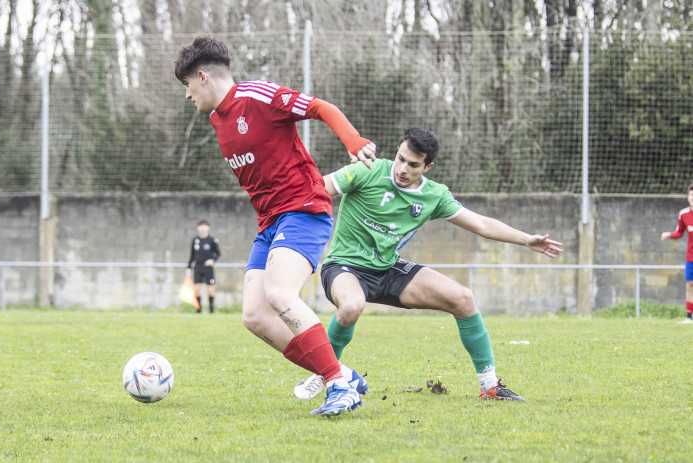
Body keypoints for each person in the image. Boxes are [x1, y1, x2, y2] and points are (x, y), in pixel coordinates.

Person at [174, 36, 376, 416]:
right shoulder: (218, 119)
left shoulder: (258, 96)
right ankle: (342, 373)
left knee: (281, 294)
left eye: (187, 86)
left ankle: (337, 388)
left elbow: (319, 107)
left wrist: (354, 140)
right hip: (270, 222)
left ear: (202, 77)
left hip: (304, 209)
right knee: (254, 315)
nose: (188, 96)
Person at [293, 128, 563, 402]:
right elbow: (314, 189)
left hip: (387, 269)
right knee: (351, 306)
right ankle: (325, 373)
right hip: (345, 266)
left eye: (413, 165)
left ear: (427, 167)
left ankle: (490, 386)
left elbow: (481, 223)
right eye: (400, 159)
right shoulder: (367, 170)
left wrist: (526, 239)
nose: (402, 169)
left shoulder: (434, 195)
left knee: (463, 299)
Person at [660, 182, 693, 324]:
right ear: (687, 197)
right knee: (689, 285)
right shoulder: (684, 214)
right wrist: (669, 234)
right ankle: (689, 316)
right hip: (690, 257)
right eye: (691, 195)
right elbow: (679, 232)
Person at [187, 219, 221, 313]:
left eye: (205, 226)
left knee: (210, 290)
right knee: (196, 290)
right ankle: (198, 311)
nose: (203, 228)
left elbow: (218, 253)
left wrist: (212, 260)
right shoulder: (195, 240)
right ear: (198, 228)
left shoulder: (212, 240)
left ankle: (211, 311)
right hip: (198, 267)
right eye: (201, 226)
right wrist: (188, 267)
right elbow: (192, 255)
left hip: (208, 268)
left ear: (208, 227)